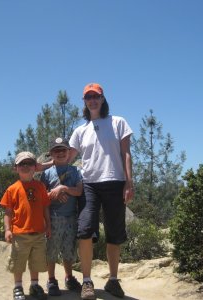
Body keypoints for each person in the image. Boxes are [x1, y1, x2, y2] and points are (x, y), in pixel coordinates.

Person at [68, 83, 134, 299]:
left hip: (115, 182)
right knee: (85, 230)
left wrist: (129, 182)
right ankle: (87, 282)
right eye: (88, 97)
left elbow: (126, 153)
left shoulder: (118, 122)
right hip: (89, 185)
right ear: (85, 102)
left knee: (114, 234)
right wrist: (42, 167)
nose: (92, 100)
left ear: (103, 99)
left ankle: (113, 281)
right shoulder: (80, 131)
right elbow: (67, 158)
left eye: (96, 96)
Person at [0, 151, 51, 300]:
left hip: (39, 233)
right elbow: (8, 212)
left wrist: (48, 226)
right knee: (18, 262)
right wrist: (7, 230)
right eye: (22, 164)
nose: (26, 166)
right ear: (16, 168)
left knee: (37, 262)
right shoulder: (12, 189)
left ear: (35, 167)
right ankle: (18, 287)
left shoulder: (40, 186)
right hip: (20, 234)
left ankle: (34, 285)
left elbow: (45, 207)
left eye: (29, 163)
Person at [40, 137, 83, 296]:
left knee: (68, 250)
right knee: (52, 249)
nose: (60, 153)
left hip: (71, 217)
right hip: (53, 217)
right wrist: (55, 194)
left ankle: (69, 277)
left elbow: (79, 191)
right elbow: (42, 195)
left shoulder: (75, 171)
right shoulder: (46, 173)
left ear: (69, 152)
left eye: (63, 150)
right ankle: (51, 280)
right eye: (56, 150)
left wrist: (64, 188)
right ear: (51, 154)